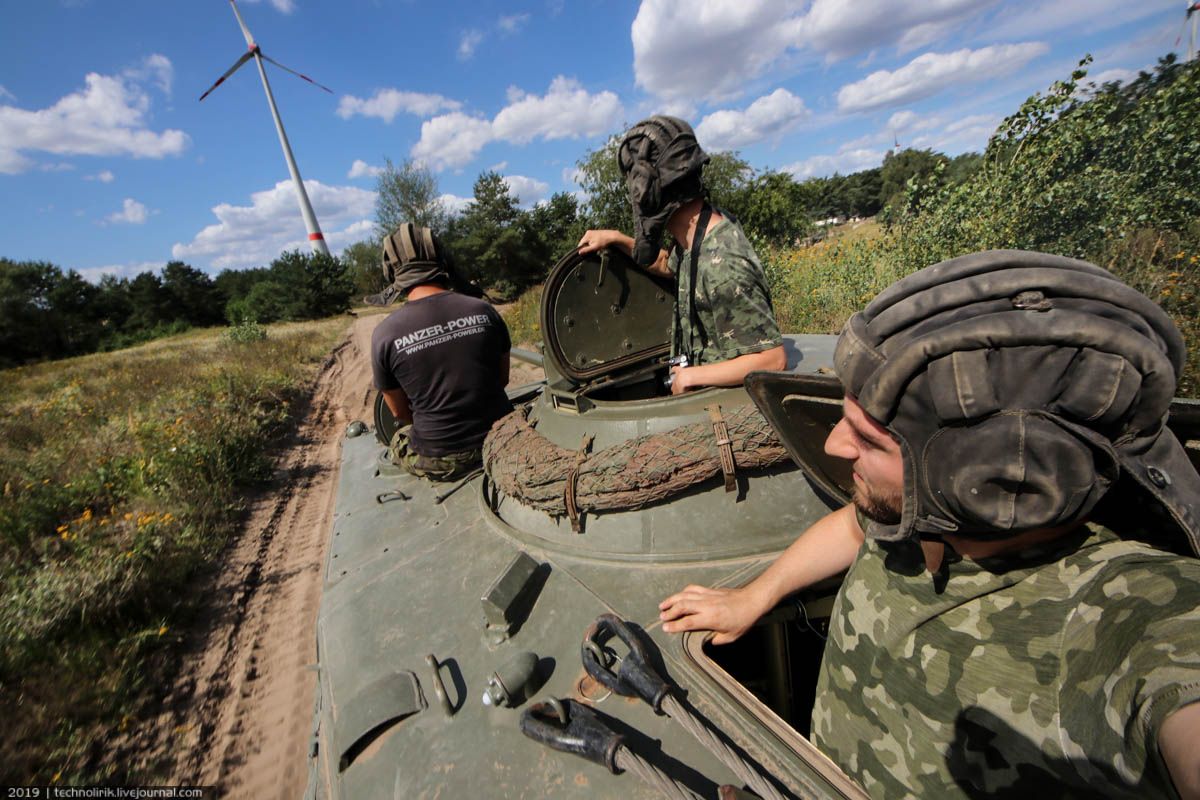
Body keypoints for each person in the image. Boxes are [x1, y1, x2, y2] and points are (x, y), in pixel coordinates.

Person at [659, 250, 1200, 798]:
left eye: (867, 440)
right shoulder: (923, 514)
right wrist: (756, 594)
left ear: (979, 475)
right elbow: (854, 526)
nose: (831, 445)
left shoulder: (1125, 613)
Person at [577, 115, 785, 395]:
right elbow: (668, 264)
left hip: (724, 404)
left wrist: (692, 376)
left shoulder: (722, 265)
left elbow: (772, 360)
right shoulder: (695, 235)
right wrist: (616, 238)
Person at [370, 223, 513, 481]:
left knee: (399, 439)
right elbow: (502, 380)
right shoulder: (483, 310)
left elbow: (400, 414)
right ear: (441, 259)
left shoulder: (384, 334)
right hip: (502, 439)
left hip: (442, 459)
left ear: (391, 270)